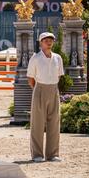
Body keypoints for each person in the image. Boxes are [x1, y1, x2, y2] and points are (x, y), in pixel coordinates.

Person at [27, 32, 64, 163]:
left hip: (54, 89)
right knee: (37, 123)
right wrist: (38, 90)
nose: (49, 42)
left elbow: (59, 75)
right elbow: (30, 78)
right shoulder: (35, 58)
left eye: (51, 40)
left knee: (54, 122)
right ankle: (37, 154)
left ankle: (53, 154)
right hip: (40, 88)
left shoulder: (58, 58)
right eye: (46, 40)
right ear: (40, 42)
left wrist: (52, 87)